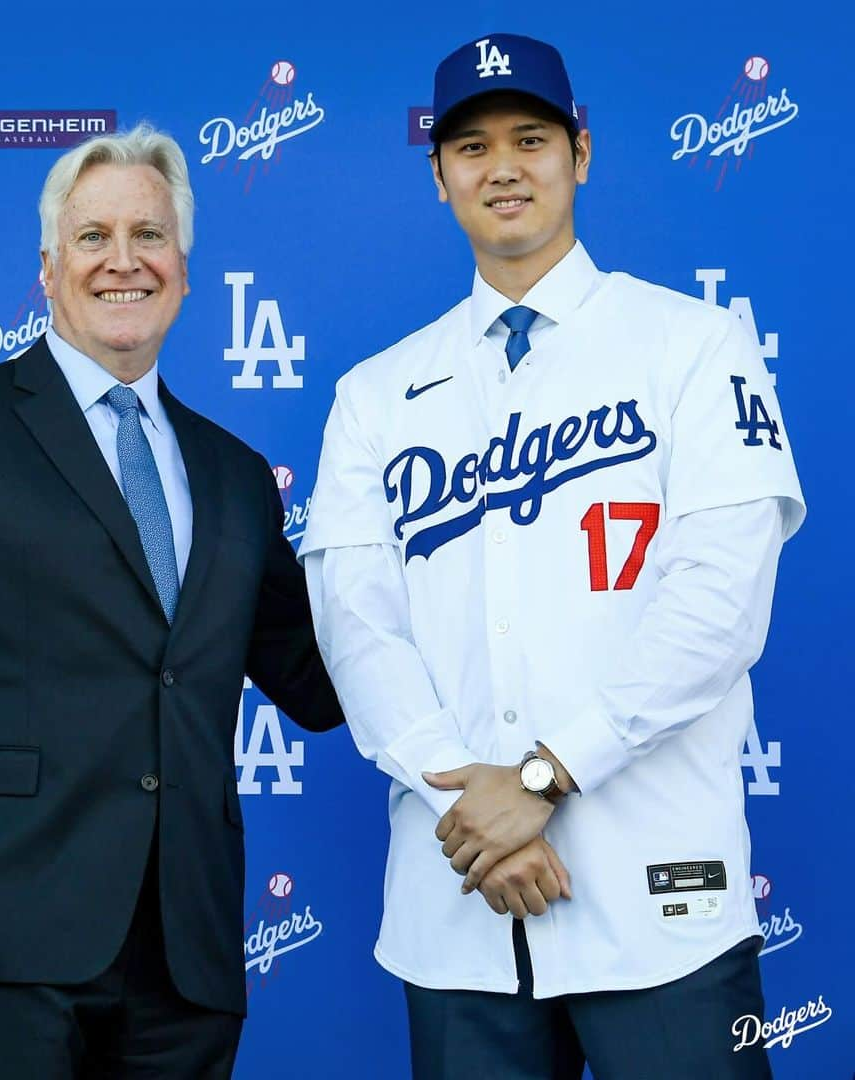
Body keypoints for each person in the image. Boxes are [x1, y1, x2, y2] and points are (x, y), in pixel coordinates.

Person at [299, 32, 803, 1080]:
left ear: (581, 152)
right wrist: (469, 807)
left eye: (530, 137)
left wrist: (545, 772)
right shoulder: (376, 394)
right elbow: (357, 625)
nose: (504, 167)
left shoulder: (695, 346)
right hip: (461, 904)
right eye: (472, 147)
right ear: (438, 178)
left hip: (663, 904)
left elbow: (718, 603)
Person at [0, 123, 344, 1079]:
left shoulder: (234, 474)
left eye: (149, 236)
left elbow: (322, 676)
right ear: (48, 268)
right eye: (93, 237)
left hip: (185, 958)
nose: (124, 262)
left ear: (184, 269)